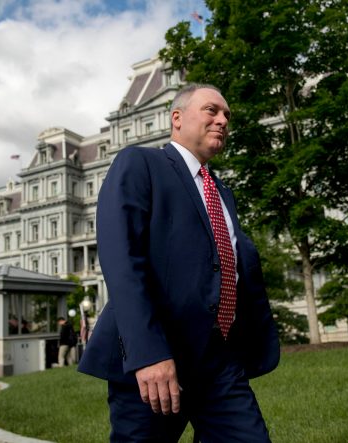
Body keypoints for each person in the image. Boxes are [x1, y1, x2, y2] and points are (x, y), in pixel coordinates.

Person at [78, 83, 280, 442]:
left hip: (220, 364)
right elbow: (122, 259)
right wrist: (147, 353)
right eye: (212, 110)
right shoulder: (141, 164)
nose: (222, 120)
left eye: (227, 116)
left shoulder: (222, 193)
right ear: (177, 118)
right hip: (157, 362)